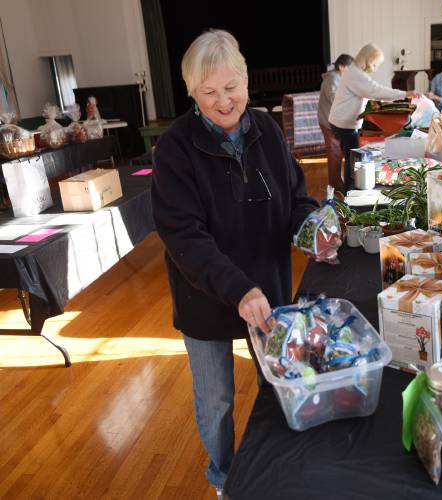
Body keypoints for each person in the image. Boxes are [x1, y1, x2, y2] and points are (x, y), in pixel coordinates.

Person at [151, 29, 319, 497]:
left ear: (246, 81)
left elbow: (296, 198)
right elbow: (185, 237)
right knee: (216, 400)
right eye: (209, 92)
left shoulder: (264, 127)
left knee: (278, 382)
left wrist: (311, 229)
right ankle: (225, 476)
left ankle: (280, 468)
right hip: (206, 296)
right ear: (192, 93)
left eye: (231, 87)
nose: (224, 101)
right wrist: (238, 289)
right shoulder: (175, 149)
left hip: (266, 290)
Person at [328, 43, 420, 189]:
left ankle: (349, 190)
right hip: (344, 123)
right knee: (353, 159)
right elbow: (375, 91)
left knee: (351, 157)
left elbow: (372, 90)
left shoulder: (356, 71)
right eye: (375, 63)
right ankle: (350, 193)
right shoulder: (355, 74)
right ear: (368, 60)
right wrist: (405, 94)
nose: (376, 67)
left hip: (343, 121)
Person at [318, 53, 354, 192]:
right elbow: (335, 100)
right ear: (341, 67)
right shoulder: (332, 78)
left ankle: (338, 183)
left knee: (337, 152)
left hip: (334, 121)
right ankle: (335, 185)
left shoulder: (339, 78)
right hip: (329, 122)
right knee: (335, 153)